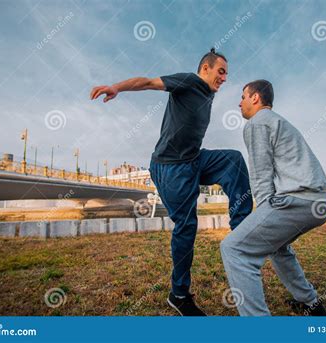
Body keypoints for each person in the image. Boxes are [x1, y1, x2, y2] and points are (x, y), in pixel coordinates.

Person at [90, 49, 253, 316]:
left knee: (232, 160)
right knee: (187, 225)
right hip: (170, 167)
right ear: (205, 69)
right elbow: (148, 82)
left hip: (193, 160)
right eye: (221, 71)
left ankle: (243, 231)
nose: (224, 78)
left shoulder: (208, 95)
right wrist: (116, 87)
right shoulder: (189, 81)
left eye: (226, 74)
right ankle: (178, 294)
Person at [220, 79, 326, 316]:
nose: (239, 102)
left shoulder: (258, 123)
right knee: (278, 248)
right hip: (319, 201)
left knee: (234, 249)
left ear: (255, 98)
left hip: (300, 199)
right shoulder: (278, 121)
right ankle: (312, 304)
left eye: (243, 96)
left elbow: (261, 174)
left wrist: (263, 215)